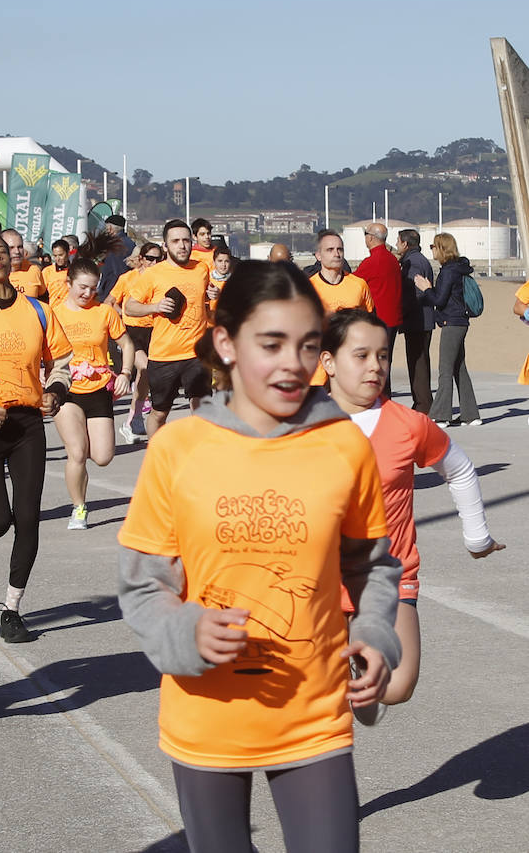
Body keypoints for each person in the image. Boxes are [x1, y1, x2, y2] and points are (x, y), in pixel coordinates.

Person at [117, 259, 402, 853]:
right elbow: (144, 585)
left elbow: (371, 565)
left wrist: (375, 635)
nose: (292, 364)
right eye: (270, 344)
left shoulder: (343, 442)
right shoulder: (178, 447)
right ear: (226, 342)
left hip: (314, 712)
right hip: (207, 714)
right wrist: (184, 628)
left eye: (307, 345)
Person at [320, 308, 502, 719]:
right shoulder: (297, 424)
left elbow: (458, 468)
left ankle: (354, 672)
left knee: (397, 687)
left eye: (383, 356)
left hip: (389, 576)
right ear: (328, 361)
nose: (375, 366)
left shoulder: (407, 425)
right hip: (316, 580)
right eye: (361, 355)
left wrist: (476, 536)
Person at [0, 232, 72, 641]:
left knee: (28, 518)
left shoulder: (38, 311)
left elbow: (61, 361)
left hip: (26, 425)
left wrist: (56, 392)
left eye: (1, 252)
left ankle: (12, 608)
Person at [50, 255, 133, 532]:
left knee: (102, 456)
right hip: (67, 389)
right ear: (69, 283)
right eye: (82, 287)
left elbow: (126, 344)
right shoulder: (54, 313)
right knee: (77, 451)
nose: (88, 293)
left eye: (93, 288)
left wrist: (125, 374)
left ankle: (82, 470)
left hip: (98, 388)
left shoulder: (104, 312)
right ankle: (79, 507)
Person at [123, 220, 213, 437]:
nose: (182, 245)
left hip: (196, 353)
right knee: (160, 413)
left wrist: (213, 298)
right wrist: (155, 306)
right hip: (164, 355)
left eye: (185, 240)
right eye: (175, 241)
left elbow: (205, 303)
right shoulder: (154, 274)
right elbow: (129, 307)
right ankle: (156, 455)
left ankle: (199, 455)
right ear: (165, 246)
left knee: (202, 408)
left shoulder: (201, 269)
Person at [413, 232, 480, 427]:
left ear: (442, 248)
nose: (431, 250)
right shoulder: (456, 268)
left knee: (445, 368)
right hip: (459, 322)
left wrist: (426, 288)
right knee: (459, 368)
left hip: (453, 323)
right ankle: (471, 414)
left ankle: (441, 416)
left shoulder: (449, 271)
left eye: (433, 246)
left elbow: (439, 300)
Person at [109, 242, 162, 442]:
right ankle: (134, 418)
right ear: (141, 259)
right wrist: (122, 316)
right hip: (132, 331)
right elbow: (109, 302)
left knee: (149, 373)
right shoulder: (127, 279)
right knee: (145, 367)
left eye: (158, 258)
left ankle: (135, 417)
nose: (154, 262)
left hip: (155, 330)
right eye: (150, 258)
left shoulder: (162, 278)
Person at [308, 230, 373, 385]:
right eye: (330, 250)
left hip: (351, 366)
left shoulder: (359, 285)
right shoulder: (308, 288)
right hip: (318, 369)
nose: (336, 254)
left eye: (340, 249)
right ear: (318, 255)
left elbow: (370, 322)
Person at [352, 222, 403, 396]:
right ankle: (384, 396)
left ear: (371, 238)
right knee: (384, 360)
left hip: (379, 319)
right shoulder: (392, 260)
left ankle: (381, 397)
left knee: (376, 362)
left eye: (366, 234)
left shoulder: (372, 261)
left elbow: (352, 283)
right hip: (393, 318)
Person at [397, 229, 435, 413]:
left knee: (417, 362)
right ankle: (423, 402)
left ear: (405, 244)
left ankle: (423, 404)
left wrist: (402, 311)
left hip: (417, 320)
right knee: (420, 361)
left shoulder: (413, 262)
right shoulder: (418, 259)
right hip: (422, 318)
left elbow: (415, 292)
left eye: (398, 242)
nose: (397, 245)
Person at [1, 229, 47, 299]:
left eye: (20, 247)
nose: (17, 251)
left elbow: (43, 297)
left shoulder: (34, 270)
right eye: (11, 248)